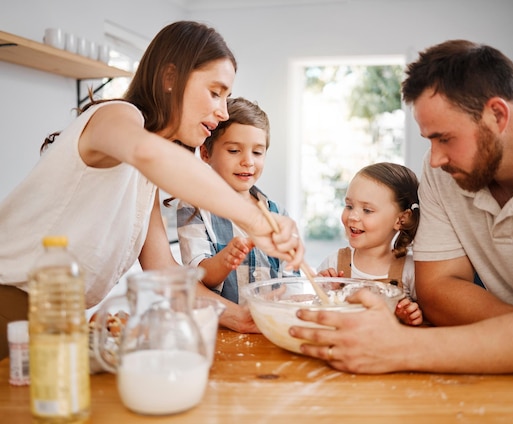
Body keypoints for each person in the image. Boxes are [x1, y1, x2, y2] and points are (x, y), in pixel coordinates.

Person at [289, 39, 513, 415]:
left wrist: (396, 346)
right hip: (502, 379)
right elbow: (439, 293)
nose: (434, 159)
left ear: (497, 115)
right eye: (429, 140)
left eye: (445, 138)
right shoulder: (444, 176)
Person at [0, 21, 303, 360]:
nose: (222, 111)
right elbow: (149, 153)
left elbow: (164, 271)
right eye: (215, 92)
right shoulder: (115, 116)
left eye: (227, 97)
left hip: (50, 324)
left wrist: (238, 317)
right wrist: (257, 222)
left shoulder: (144, 181)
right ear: (170, 78)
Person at [177, 97, 298, 333]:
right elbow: (198, 276)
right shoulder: (194, 208)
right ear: (205, 153)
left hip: (268, 329)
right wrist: (225, 260)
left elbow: (291, 279)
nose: (248, 161)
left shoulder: (277, 213)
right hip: (218, 330)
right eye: (234, 150)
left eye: (258, 152)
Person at [316, 162, 422, 326]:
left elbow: (425, 322)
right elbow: (316, 311)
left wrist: (410, 316)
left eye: (367, 210)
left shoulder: (410, 270)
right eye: (349, 206)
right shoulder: (334, 263)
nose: (353, 216)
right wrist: (326, 290)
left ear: (401, 219)